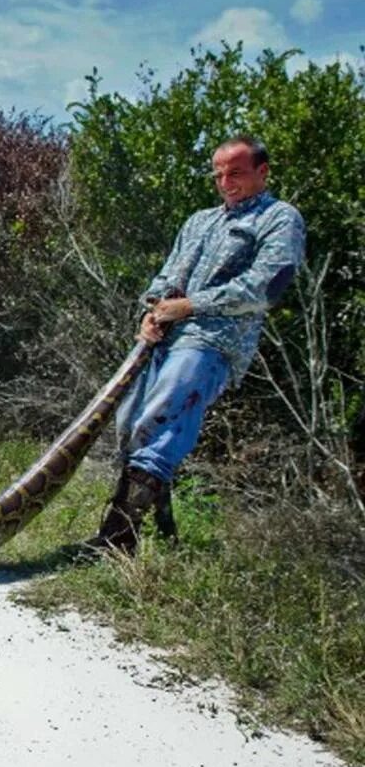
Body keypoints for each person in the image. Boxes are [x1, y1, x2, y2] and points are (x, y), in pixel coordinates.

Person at [82, 135, 306, 555]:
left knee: (160, 424)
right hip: (164, 338)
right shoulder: (199, 221)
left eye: (236, 172)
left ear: (263, 171)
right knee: (130, 427)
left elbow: (266, 286)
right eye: (219, 173)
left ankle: (115, 540)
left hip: (213, 341)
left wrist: (190, 306)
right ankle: (164, 534)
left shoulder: (280, 218)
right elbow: (167, 276)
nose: (226, 182)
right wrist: (151, 311)